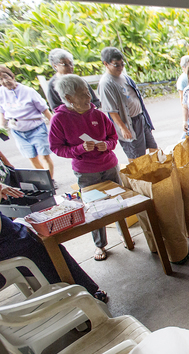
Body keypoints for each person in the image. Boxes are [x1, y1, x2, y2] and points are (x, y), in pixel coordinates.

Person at [49, 75, 121, 262]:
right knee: (94, 209)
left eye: (88, 92)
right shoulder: (59, 119)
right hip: (86, 172)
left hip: (109, 165)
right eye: (82, 95)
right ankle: (100, 245)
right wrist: (79, 149)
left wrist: (107, 145)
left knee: (120, 202)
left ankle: (125, 234)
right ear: (69, 98)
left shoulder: (98, 114)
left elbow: (113, 137)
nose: (89, 98)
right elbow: (57, 148)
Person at [0, 184, 108, 302]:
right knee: (52, 250)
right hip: (11, 245)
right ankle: (83, 295)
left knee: (42, 236)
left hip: (11, 234)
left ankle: (81, 291)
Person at [97, 47, 157, 161]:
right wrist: (123, 128)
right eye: (116, 65)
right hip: (129, 123)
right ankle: (140, 178)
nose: (120, 67)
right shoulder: (106, 83)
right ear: (106, 64)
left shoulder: (124, 77)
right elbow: (111, 110)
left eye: (122, 64)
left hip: (140, 118)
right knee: (137, 157)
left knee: (153, 147)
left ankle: (155, 172)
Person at [0, 65, 55, 181]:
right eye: (0, 79)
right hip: (18, 131)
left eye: (6, 77)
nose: (5, 81)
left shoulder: (28, 91)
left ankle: (50, 180)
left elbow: (45, 110)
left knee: (44, 156)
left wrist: (56, 126)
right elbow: (2, 112)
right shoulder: (1, 93)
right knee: (32, 157)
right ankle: (46, 181)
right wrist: (1, 126)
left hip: (36, 128)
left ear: (12, 76)